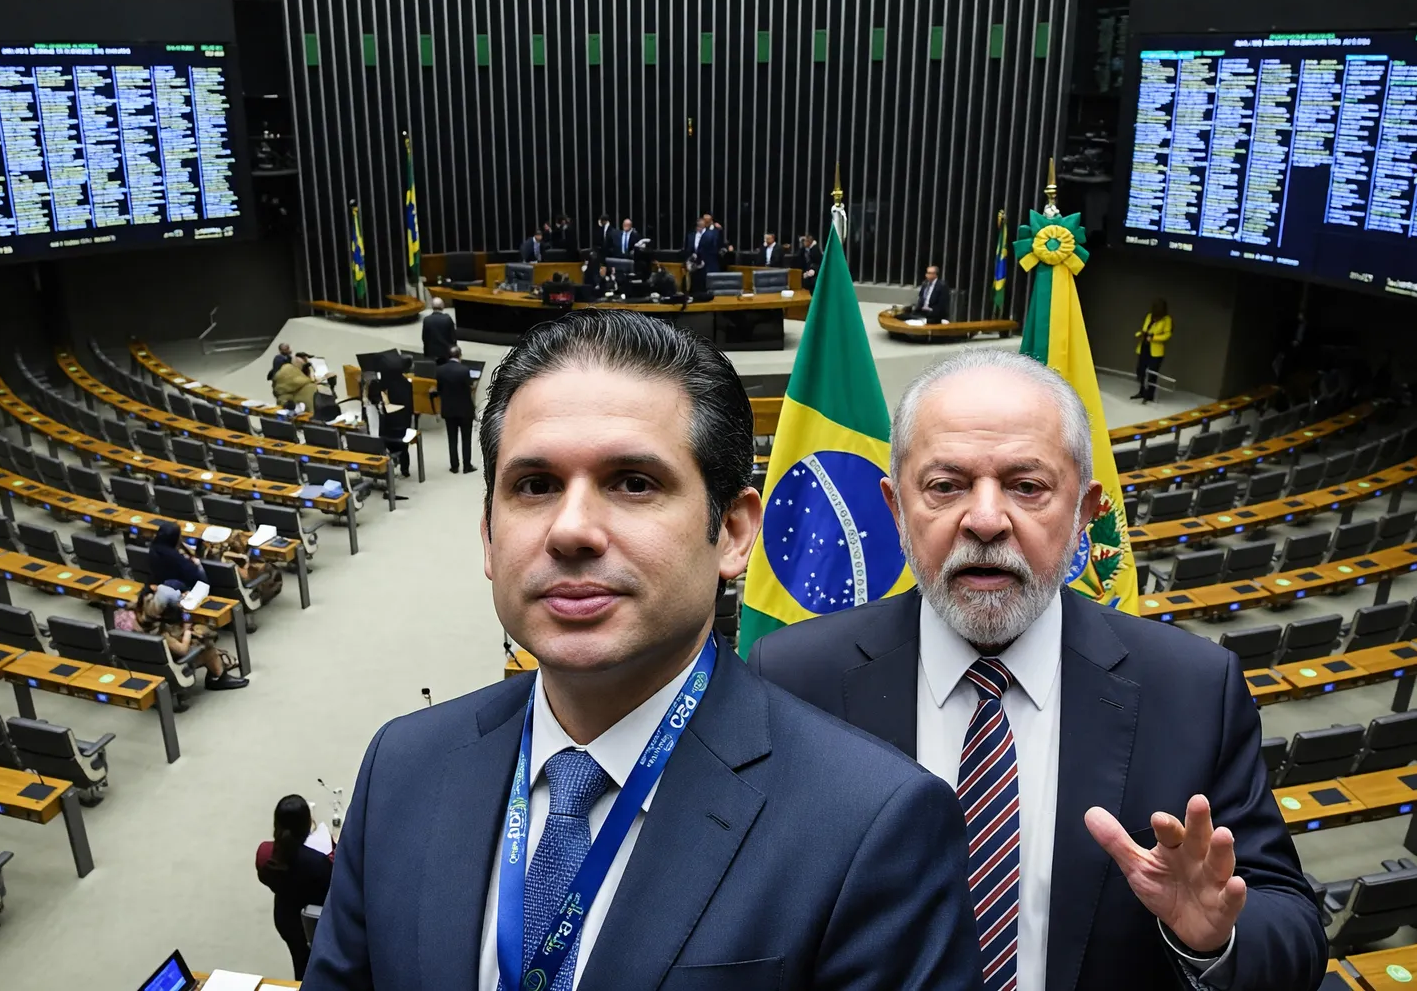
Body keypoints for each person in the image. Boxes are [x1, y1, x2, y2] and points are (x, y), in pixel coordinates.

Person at [304, 310, 980, 990]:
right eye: (534, 486)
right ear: (487, 535)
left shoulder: (872, 823)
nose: (571, 531)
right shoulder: (401, 767)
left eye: (633, 483)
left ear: (734, 533)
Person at [752, 350, 1326, 991]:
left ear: (1084, 512)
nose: (987, 520)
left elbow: (1294, 928)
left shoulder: (1194, 688)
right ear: (894, 508)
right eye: (946, 486)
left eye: (1028, 487)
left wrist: (1212, 940)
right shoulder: (793, 676)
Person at [257, 794, 335, 980]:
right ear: (308, 825)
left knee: (300, 960)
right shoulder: (319, 863)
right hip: (315, 922)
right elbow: (335, 886)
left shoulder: (265, 855)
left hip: (287, 919)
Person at [134, 583, 247, 691]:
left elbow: (184, 617)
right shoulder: (161, 634)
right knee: (206, 643)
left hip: (152, 664)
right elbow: (183, 650)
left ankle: (216, 668)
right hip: (175, 665)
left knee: (200, 630)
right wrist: (187, 630)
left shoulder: (139, 620)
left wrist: (184, 617)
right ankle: (219, 677)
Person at [369, 349, 415, 478]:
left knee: (387, 444)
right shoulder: (406, 384)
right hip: (401, 421)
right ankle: (405, 469)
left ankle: (388, 466)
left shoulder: (381, 384)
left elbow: (375, 400)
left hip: (386, 422)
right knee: (403, 446)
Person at [436, 345, 477, 474]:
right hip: (465, 410)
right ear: (460, 356)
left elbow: (440, 390)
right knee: (466, 439)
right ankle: (466, 465)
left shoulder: (440, 370)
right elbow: (469, 388)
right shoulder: (464, 370)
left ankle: (454, 466)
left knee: (452, 439)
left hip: (449, 410)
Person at [147, 521, 207, 593]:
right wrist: (195, 564)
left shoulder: (153, 548)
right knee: (199, 568)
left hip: (160, 580)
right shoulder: (175, 557)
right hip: (177, 586)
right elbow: (192, 574)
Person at [1133, 298, 1174, 402]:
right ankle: (1142, 391)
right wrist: (1140, 334)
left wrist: (1153, 338)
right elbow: (1144, 329)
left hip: (1156, 350)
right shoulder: (1149, 316)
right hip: (1144, 346)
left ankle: (1149, 395)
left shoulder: (1167, 320)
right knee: (1140, 370)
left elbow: (1167, 335)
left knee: (1152, 373)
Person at [422, 298, 459, 364]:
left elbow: (424, 338)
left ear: (432, 306)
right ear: (442, 306)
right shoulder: (447, 319)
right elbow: (453, 338)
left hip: (431, 353)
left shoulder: (426, 320)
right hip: (445, 353)